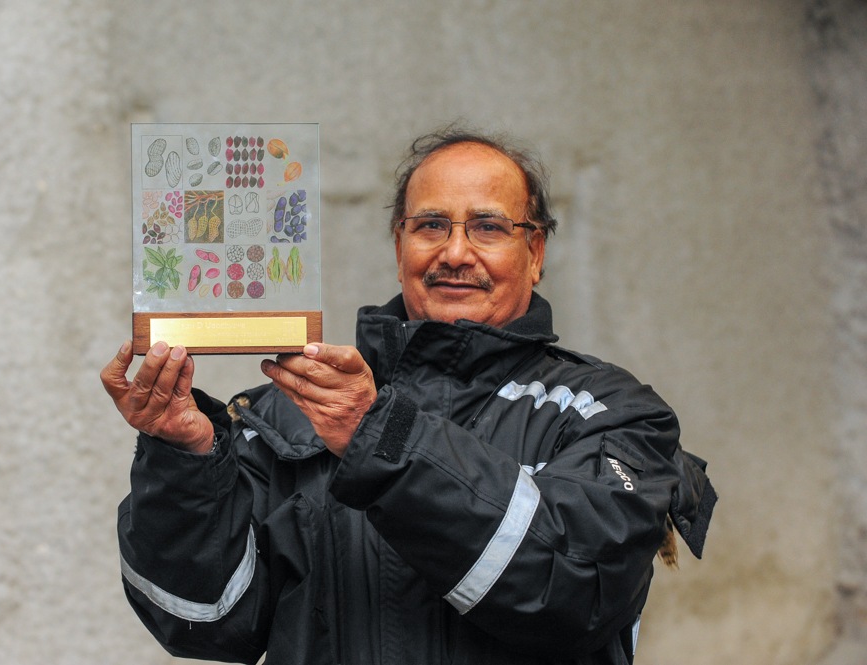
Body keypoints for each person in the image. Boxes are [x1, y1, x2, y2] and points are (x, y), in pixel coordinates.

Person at [101, 127, 716, 665]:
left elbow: (571, 593)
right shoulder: (286, 416)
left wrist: (380, 436)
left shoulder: (614, 413)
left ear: (536, 254)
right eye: (429, 226)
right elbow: (206, 622)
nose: (454, 252)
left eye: (488, 227)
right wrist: (186, 461)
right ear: (399, 248)